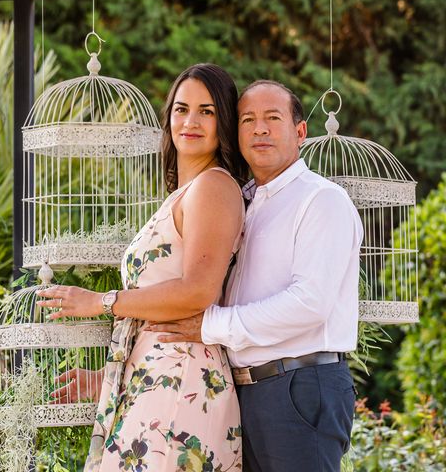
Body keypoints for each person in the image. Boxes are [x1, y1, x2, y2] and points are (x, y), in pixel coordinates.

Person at [37, 63, 248, 471]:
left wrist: (102, 301)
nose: (190, 121)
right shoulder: (185, 192)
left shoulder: (214, 187)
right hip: (155, 378)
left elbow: (198, 290)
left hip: (183, 380)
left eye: (207, 111)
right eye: (182, 109)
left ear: (224, 120)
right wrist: (112, 378)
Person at [148, 80, 364, 472]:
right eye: (248, 119)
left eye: (272, 118)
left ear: (301, 132)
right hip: (241, 390)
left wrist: (213, 324)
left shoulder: (321, 200)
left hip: (299, 385)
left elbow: (309, 303)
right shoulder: (239, 200)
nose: (259, 129)